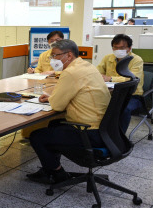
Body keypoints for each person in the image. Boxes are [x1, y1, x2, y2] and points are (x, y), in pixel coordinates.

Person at [27, 40, 111, 184]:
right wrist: (52, 98)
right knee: (54, 123)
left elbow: (58, 106)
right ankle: (50, 168)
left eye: (55, 56)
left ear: (69, 55)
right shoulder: (87, 66)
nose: (52, 59)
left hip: (90, 132)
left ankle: (58, 173)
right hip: (106, 129)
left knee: (36, 136)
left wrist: (52, 99)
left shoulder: (71, 72)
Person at [96, 34, 144, 132]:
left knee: (123, 109)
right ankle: (101, 133)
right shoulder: (107, 58)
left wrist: (110, 78)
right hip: (110, 93)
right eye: (115, 47)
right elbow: (97, 72)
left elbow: (132, 79)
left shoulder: (136, 60)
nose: (118, 50)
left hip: (132, 96)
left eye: (122, 47)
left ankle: (119, 138)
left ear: (129, 48)